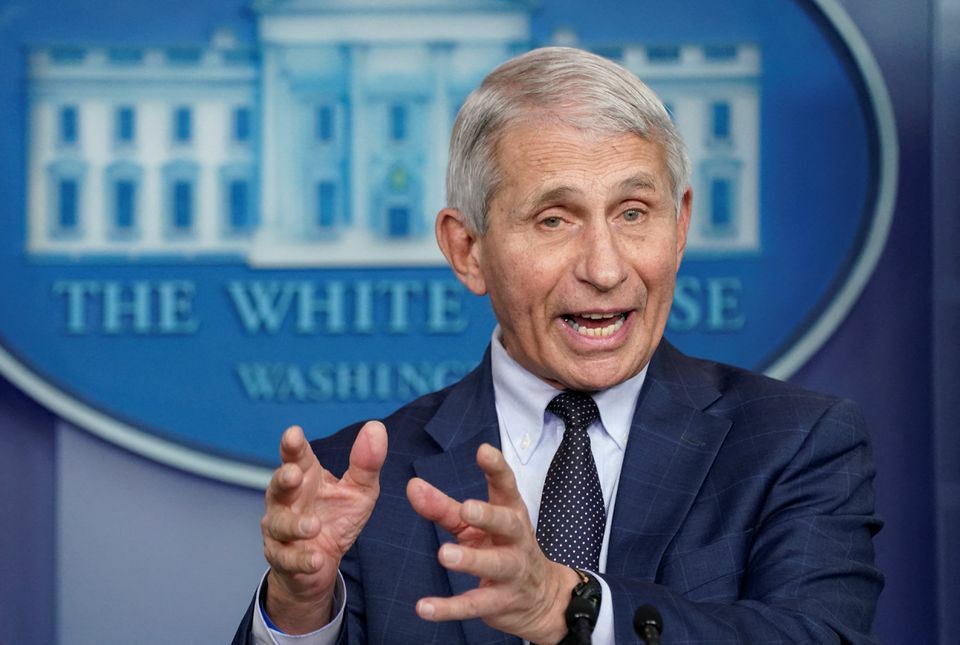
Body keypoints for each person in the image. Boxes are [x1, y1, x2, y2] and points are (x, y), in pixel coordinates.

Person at [234, 46, 882, 644]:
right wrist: (300, 608)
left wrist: (566, 605)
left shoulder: (796, 443)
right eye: (555, 219)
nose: (605, 268)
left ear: (680, 225)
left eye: (633, 212)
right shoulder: (358, 482)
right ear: (468, 249)